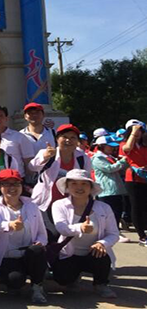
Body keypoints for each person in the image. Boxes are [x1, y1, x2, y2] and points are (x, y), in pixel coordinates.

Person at [50, 169, 119, 299]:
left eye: (84, 184)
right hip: (69, 254)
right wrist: (80, 228)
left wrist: (102, 243)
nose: (79, 187)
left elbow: (114, 233)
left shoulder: (104, 208)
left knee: (102, 254)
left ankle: (100, 284)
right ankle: (73, 278)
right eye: (74, 184)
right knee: (63, 279)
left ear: (91, 187)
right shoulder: (59, 205)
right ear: (67, 186)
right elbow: (61, 228)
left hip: (93, 253)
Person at [0, 169, 48, 304]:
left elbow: (42, 233)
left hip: (29, 253)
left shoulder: (32, 205)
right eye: (7, 184)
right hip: (7, 256)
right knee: (14, 281)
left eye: (16, 184)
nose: (12, 188)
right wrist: (10, 225)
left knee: (38, 251)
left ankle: (37, 287)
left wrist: (39, 243)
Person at [30, 124, 92, 239]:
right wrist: (45, 157)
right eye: (65, 137)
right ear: (57, 139)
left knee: (67, 235)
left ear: (77, 141)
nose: (68, 140)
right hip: (46, 202)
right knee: (51, 234)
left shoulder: (83, 158)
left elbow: (87, 180)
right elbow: (32, 167)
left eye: (73, 137)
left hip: (69, 203)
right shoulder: (48, 153)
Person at [92, 135, 130, 243]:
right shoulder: (97, 158)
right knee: (110, 213)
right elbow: (109, 169)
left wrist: (123, 163)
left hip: (114, 189)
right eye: (109, 146)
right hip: (106, 190)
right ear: (101, 146)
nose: (112, 148)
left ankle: (115, 232)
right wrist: (122, 161)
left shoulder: (109, 157)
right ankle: (112, 233)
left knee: (117, 211)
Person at [0, 105, 35, 178]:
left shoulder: (19, 137)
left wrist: (30, 179)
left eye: (0, 116)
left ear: (6, 118)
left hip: (14, 180)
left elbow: (28, 161)